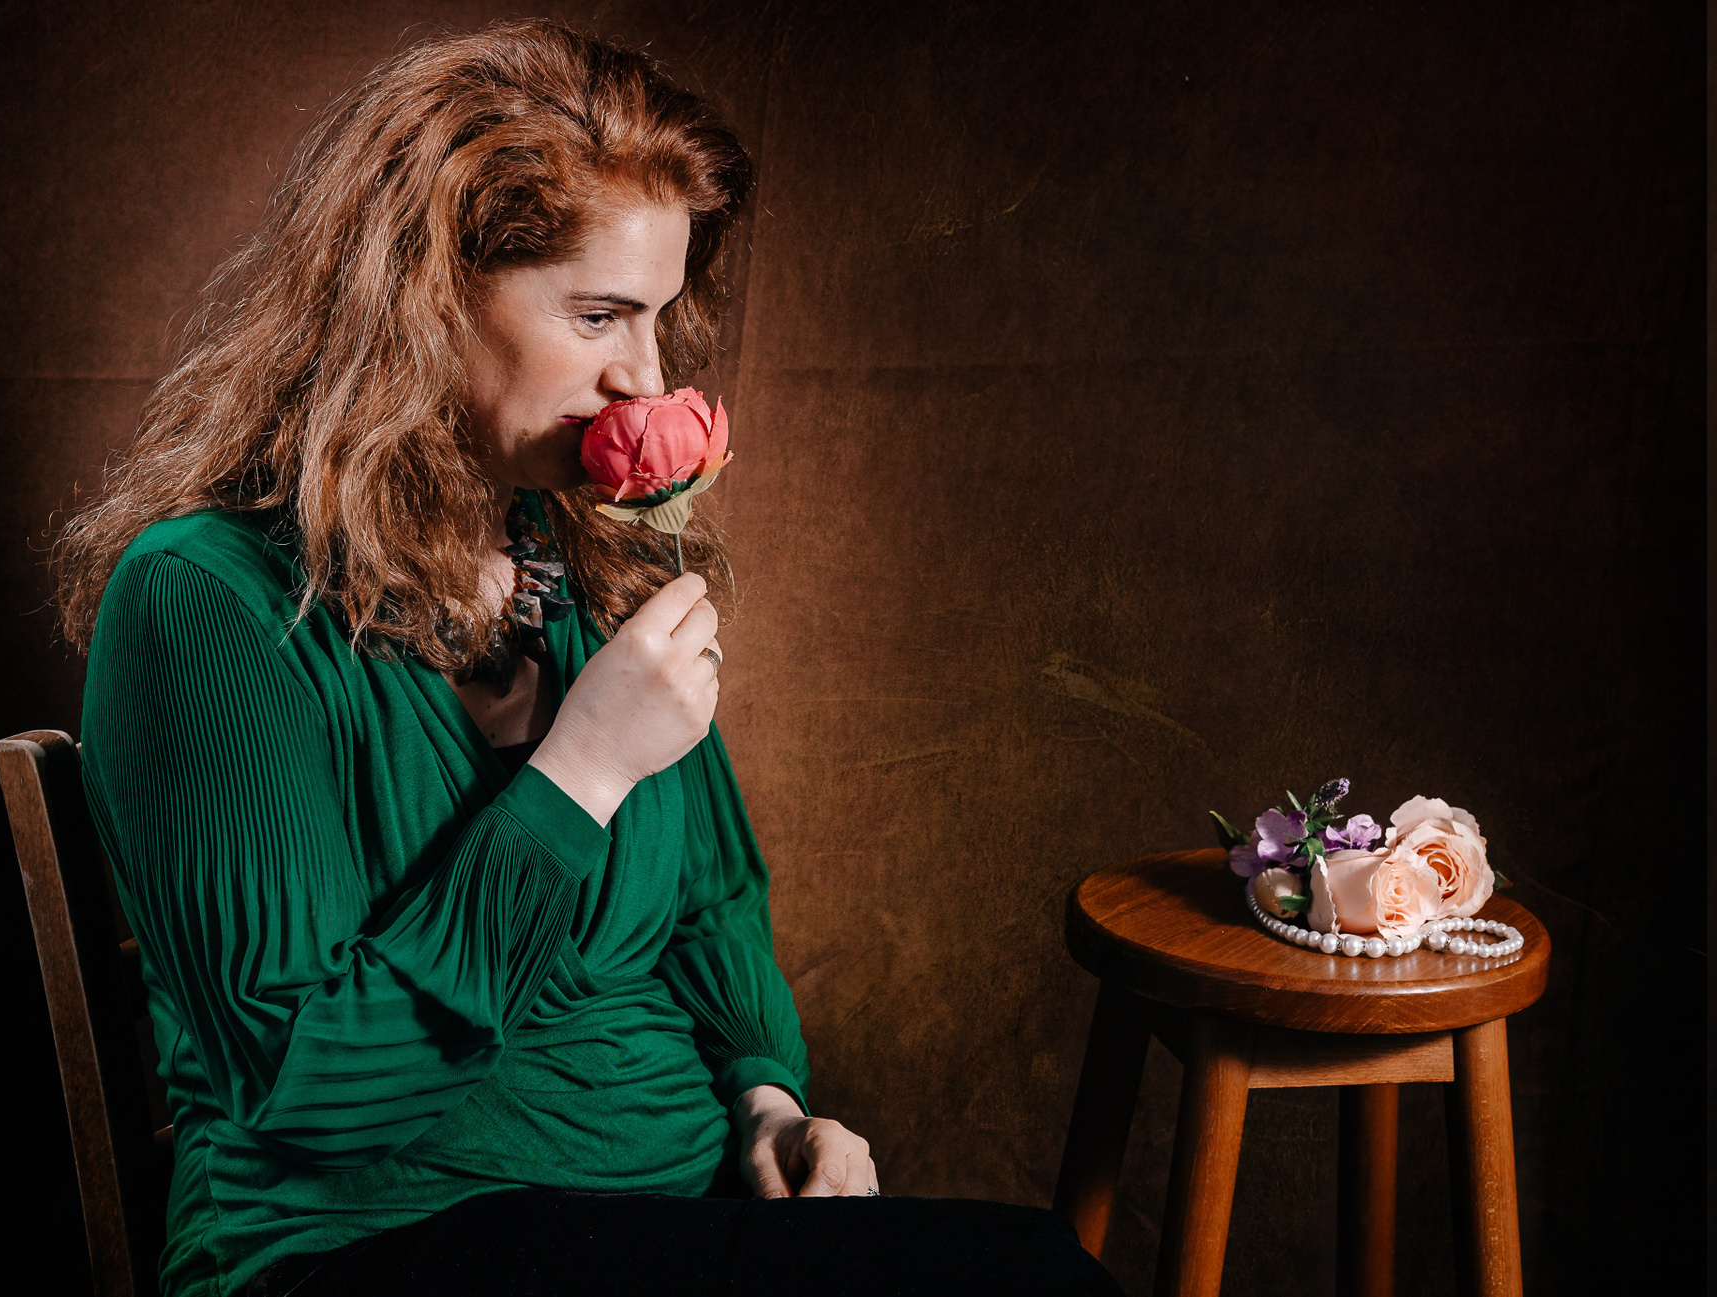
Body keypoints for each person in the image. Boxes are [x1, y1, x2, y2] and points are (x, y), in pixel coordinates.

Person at [58, 19, 1122, 1297]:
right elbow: (300, 1081)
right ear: (423, 299)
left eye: (659, 318)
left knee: (1031, 1267)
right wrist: (581, 774)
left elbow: (710, 900)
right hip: (370, 1246)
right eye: (600, 314)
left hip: (669, 1215)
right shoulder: (202, 601)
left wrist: (767, 1100)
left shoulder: (583, 555)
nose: (645, 376)